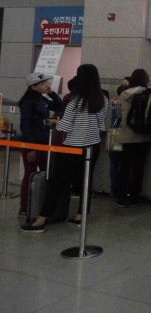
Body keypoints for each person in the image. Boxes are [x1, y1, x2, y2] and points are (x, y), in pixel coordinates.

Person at [22, 64, 109, 232]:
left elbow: (65, 126)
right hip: (92, 146)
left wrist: (56, 122)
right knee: (85, 181)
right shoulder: (102, 99)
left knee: (57, 182)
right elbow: (100, 124)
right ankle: (80, 215)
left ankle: (41, 219)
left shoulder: (75, 101)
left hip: (72, 147)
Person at [17, 72, 63, 216]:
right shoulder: (27, 102)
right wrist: (30, 148)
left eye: (47, 83)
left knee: (45, 172)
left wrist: (52, 92)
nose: (46, 86)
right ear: (33, 86)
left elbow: (59, 106)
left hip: (44, 142)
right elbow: (25, 125)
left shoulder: (42, 99)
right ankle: (24, 207)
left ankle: (41, 204)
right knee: (29, 174)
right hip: (32, 143)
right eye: (43, 84)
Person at [115, 69, 151, 207]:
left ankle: (121, 196)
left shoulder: (124, 94)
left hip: (127, 135)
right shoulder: (148, 93)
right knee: (138, 167)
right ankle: (134, 196)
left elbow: (118, 114)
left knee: (124, 166)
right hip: (143, 135)